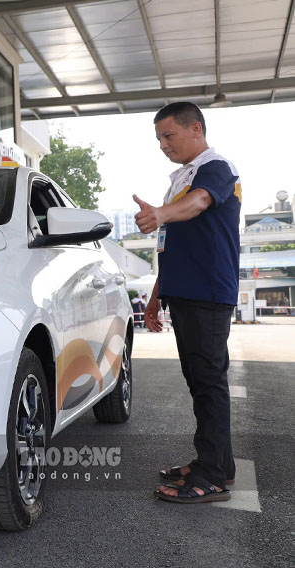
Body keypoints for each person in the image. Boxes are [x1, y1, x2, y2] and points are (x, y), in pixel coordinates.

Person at [133, 101, 241, 504]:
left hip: (207, 291)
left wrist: (160, 212)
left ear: (195, 128)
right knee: (201, 382)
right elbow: (172, 245)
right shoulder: (183, 178)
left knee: (208, 383)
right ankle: (216, 463)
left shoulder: (216, 169)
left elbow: (198, 204)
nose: (163, 144)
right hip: (186, 292)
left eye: (169, 135)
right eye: (159, 138)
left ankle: (211, 475)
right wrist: (155, 298)